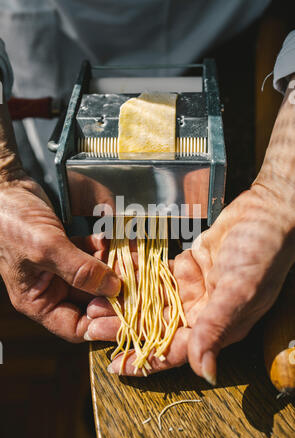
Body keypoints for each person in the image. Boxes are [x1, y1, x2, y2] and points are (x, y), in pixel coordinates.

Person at [1, 1, 295, 385]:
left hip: (222, 30)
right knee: (73, 262)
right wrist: (4, 177)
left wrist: (281, 187)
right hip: (58, 38)